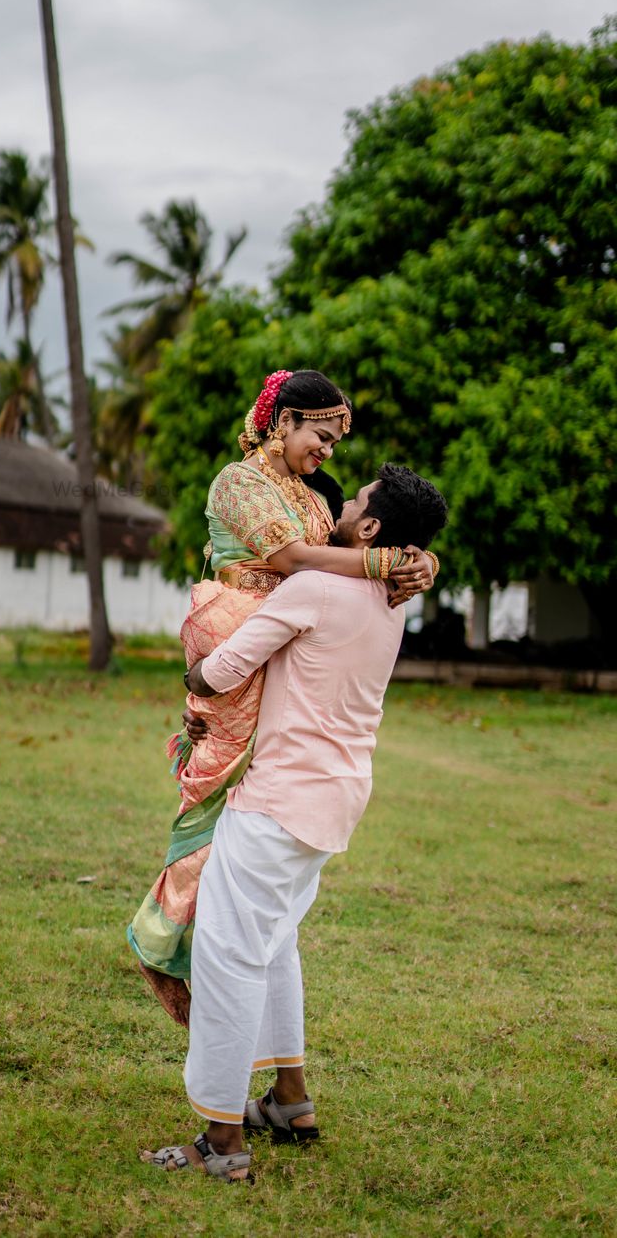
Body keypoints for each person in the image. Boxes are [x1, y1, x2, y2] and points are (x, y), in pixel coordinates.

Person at [141, 463, 449, 1183]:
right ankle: (288, 1099)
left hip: (279, 799)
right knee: (274, 943)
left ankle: (221, 1140)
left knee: (228, 953)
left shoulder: (316, 587)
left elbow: (221, 669)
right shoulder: (390, 595)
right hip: (336, 798)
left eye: (358, 500)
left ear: (369, 529)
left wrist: (196, 669)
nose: (342, 502)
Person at [128, 371, 437, 1027]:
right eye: (319, 435)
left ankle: (201, 955)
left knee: (236, 819)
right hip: (237, 639)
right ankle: (166, 942)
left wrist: (423, 561)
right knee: (209, 801)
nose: (326, 450)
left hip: (281, 652)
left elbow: (344, 550)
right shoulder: (238, 482)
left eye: (334, 442)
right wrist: (387, 565)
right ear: (285, 420)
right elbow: (298, 559)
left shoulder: (314, 497)